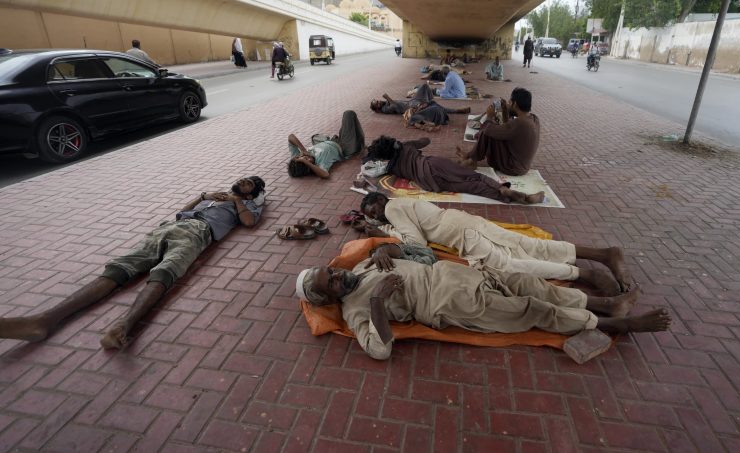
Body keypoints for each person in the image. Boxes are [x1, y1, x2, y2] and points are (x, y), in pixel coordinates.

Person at [0, 177, 266, 348]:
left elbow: (249, 223)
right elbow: (182, 211)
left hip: (198, 233)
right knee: (117, 269)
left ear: (252, 193)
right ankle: (43, 320)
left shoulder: (246, 204)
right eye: (243, 179)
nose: (244, 181)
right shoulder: (217, 195)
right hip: (169, 227)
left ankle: (124, 326)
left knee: (164, 273)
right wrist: (204, 195)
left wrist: (237, 202)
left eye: (250, 184)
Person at [295, 254, 671, 360]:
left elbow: (410, 252)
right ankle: (615, 324)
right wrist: (378, 300)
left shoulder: (363, 265)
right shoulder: (356, 310)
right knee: (530, 309)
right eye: (331, 282)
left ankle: (606, 303)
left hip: (458, 273)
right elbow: (380, 350)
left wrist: (387, 249)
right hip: (453, 302)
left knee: (529, 284)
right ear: (328, 299)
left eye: (331, 270)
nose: (337, 275)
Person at [358, 194, 634, 294]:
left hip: (461, 234)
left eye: (374, 210)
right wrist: (384, 227)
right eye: (372, 216)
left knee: (507, 267)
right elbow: (413, 228)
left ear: (381, 201)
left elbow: (416, 242)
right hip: (466, 222)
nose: (376, 216)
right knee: (527, 244)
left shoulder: (392, 208)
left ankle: (582, 273)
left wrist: (384, 231)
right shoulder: (400, 204)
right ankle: (603, 254)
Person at [363, 135, 544, 204]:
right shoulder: (405, 146)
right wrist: (405, 142)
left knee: (471, 187)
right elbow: (426, 140)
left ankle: (506, 196)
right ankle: (507, 190)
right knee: (475, 176)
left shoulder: (392, 168)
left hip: (428, 183)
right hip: (433, 164)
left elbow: (374, 170)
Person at [456, 87, 539, 175]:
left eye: (510, 102)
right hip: (522, 166)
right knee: (493, 129)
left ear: (515, 104)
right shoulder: (533, 118)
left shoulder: (520, 123)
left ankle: (472, 161)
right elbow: (507, 128)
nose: (508, 104)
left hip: (513, 167)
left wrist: (489, 116)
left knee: (487, 132)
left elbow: (489, 130)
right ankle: (470, 156)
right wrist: (505, 111)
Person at [287, 110, 365, 178]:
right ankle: (359, 143)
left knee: (314, 137)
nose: (308, 158)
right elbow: (325, 174)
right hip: (343, 147)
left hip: (331, 141)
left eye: (305, 158)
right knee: (348, 114)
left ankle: (353, 141)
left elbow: (291, 137)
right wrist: (307, 162)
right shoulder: (320, 164)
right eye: (308, 161)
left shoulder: (298, 158)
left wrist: (303, 150)